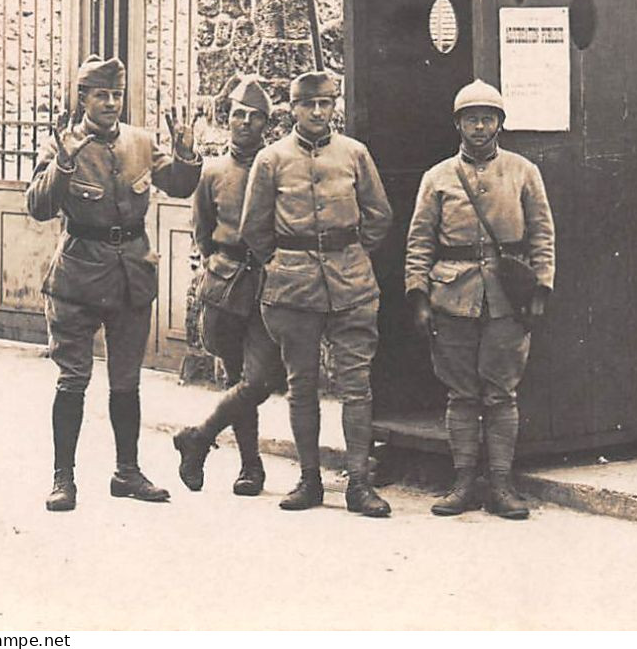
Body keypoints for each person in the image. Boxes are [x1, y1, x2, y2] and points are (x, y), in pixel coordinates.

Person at [27, 55, 201, 511]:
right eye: (100, 94)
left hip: (130, 278)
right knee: (73, 380)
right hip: (78, 277)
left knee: (126, 381)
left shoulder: (140, 142)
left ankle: (127, 472)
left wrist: (185, 154)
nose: (109, 102)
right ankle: (63, 478)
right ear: (82, 98)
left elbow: (181, 185)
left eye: (116, 94)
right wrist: (62, 166)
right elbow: (39, 206)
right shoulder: (62, 143)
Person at [240, 69, 394, 517]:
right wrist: (284, 260)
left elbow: (379, 214)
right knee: (301, 386)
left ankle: (359, 484)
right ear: (292, 107)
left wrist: (352, 252)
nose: (318, 112)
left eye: (326, 103)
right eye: (308, 104)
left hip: (352, 285)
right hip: (292, 287)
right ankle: (309, 480)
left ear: (335, 105)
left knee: (356, 387)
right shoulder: (271, 160)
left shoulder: (354, 154)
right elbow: (255, 227)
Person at [404, 80, 556, 520]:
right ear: (458, 124)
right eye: (471, 118)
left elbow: (542, 235)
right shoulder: (438, 178)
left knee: (501, 393)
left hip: (509, 298)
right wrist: (419, 295)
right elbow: (419, 242)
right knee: (461, 394)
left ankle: (502, 484)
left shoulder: (523, 172)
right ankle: (463, 481)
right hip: (453, 295)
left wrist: (541, 288)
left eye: (487, 118)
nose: (479, 126)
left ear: (500, 123)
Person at [172, 76, 287, 496]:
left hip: (269, 283)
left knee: (260, 379)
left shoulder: (277, 165)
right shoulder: (212, 171)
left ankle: (199, 437)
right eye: (238, 114)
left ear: (266, 125)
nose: (244, 122)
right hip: (225, 285)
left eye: (254, 117)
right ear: (228, 117)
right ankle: (250, 468)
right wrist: (217, 268)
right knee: (238, 378)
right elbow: (202, 232)